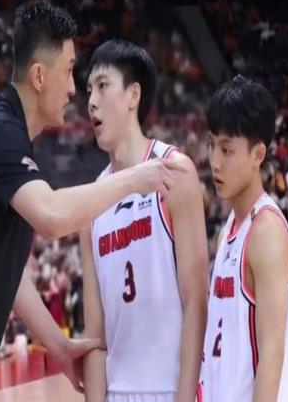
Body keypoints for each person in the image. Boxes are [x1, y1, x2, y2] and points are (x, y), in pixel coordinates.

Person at [0, 1, 182, 402]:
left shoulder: (9, 139)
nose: (74, 89)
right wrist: (134, 179)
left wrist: (58, 346)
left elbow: (8, 276)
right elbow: (52, 216)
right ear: (40, 76)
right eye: (69, 71)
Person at [81, 40, 208, 402]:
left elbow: (196, 301)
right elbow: (95, 339)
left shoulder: (174, 171)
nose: (91, 102)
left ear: (133, 95)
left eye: (103, 86)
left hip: (171, 389)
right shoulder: (91, 202)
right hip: (115, 393)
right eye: (88, 90)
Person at [202, 76, 288, 401]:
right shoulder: (229, 228)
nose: (214, 161)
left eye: (227, 149)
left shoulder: (266, 231)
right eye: (211, 144)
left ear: (258, 154)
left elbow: (271, 354)